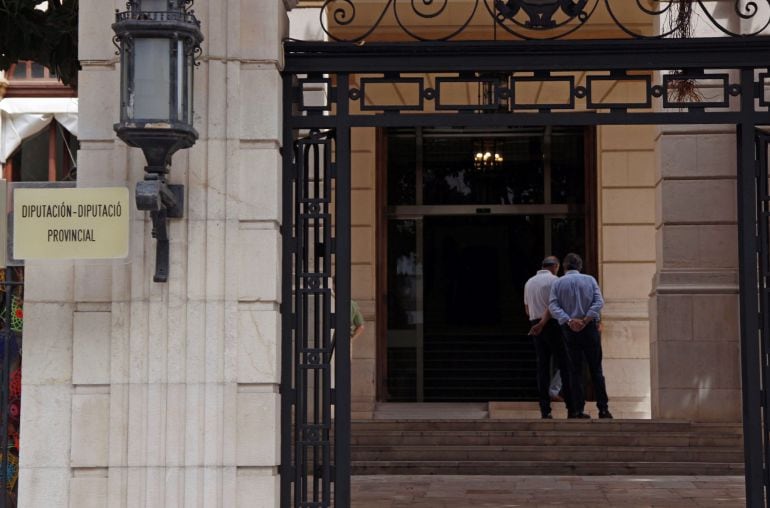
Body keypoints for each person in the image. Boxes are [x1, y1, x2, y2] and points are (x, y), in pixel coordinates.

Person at [548, 253, 613, 419]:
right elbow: (599, 302)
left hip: (570, 331)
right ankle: (603, 409)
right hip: (589, 328)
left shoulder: (558, 283)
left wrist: (569, 320)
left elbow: (553, 306)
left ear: (564, 266)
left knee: (575, 371)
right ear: (580, 266)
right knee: (596, 370)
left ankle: (577, 410)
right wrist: (585, 319)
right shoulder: (590, 280)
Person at [524, 256, 575, 419]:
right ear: (555, 266)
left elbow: (527, 308)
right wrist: (544, 323)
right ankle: (571, 409)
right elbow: (553, 306)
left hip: (535, 323)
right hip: (552, 324)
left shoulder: (529, 282)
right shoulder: (555, 281)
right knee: (565, 365)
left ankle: (545, 410)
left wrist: (537, 323)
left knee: (543, 367)